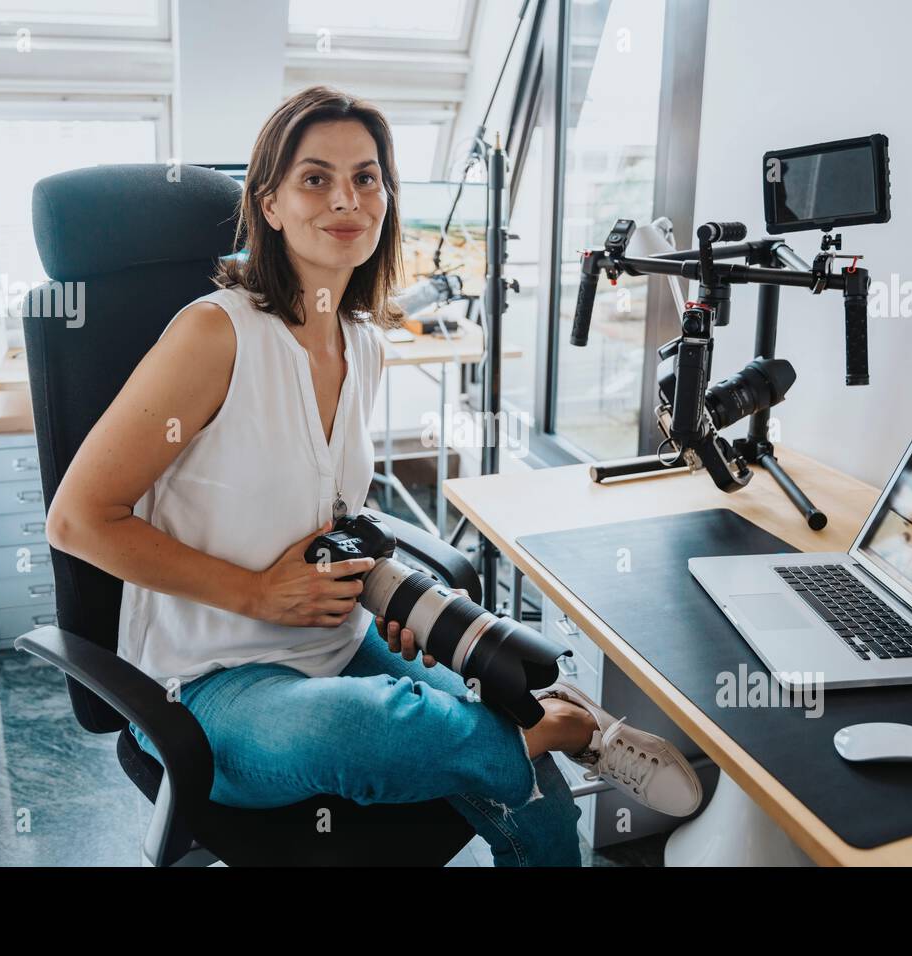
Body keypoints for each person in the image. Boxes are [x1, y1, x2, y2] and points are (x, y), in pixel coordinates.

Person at [43, 86, 701, 867]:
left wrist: (378, 588)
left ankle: (528, 735)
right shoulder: (213, 334)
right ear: (271, 205)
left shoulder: (366, 341)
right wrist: (255, 594)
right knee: (367, 730)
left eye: (367, 177)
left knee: (517, 776)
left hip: (337, 640)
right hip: (212, 685)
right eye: (315, 178)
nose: (346, 199)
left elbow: (329, 514)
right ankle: (560, 722)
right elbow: (78, 520)